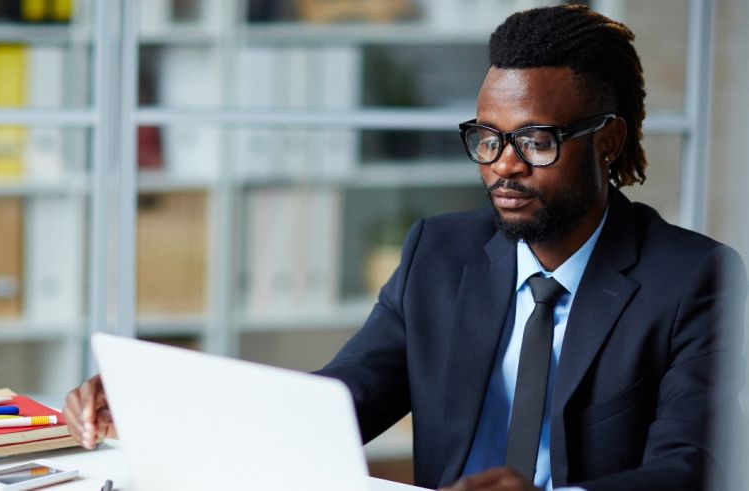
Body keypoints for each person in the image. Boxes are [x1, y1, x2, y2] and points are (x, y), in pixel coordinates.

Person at [64, 5, 747, 491]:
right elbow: (341, 400)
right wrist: (167, 410)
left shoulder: (694, 279)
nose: (502, 165)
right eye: (487, 137)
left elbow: (690, 467)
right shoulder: (439, 253)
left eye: (535, 140)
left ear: (608, 140)